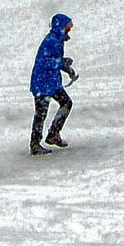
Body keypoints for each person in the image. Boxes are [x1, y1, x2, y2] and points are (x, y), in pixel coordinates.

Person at [29, 13, 79, 155]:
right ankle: (35, 143)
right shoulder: (51, 41)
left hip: (52, 82)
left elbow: (53, 60)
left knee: (66, 103)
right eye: (68, 27)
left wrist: (66, 68)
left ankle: (53, 133)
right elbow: (43, 62)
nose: (69, 30)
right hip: (42, 83)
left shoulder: (57, 40)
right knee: (41, 114)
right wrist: (61, 63)